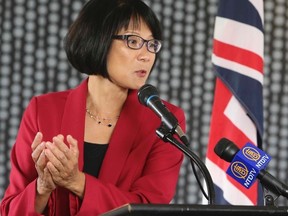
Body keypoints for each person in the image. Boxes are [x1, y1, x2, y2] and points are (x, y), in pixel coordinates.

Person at [0, 0, 186, 215]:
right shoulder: (43, 110)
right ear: (97, 39)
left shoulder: (165, 119)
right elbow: (9, 210)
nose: (146, 55)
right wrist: (41, 189)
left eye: (152, 44)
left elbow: (151, 209)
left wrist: (77, 182)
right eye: (133, 41)